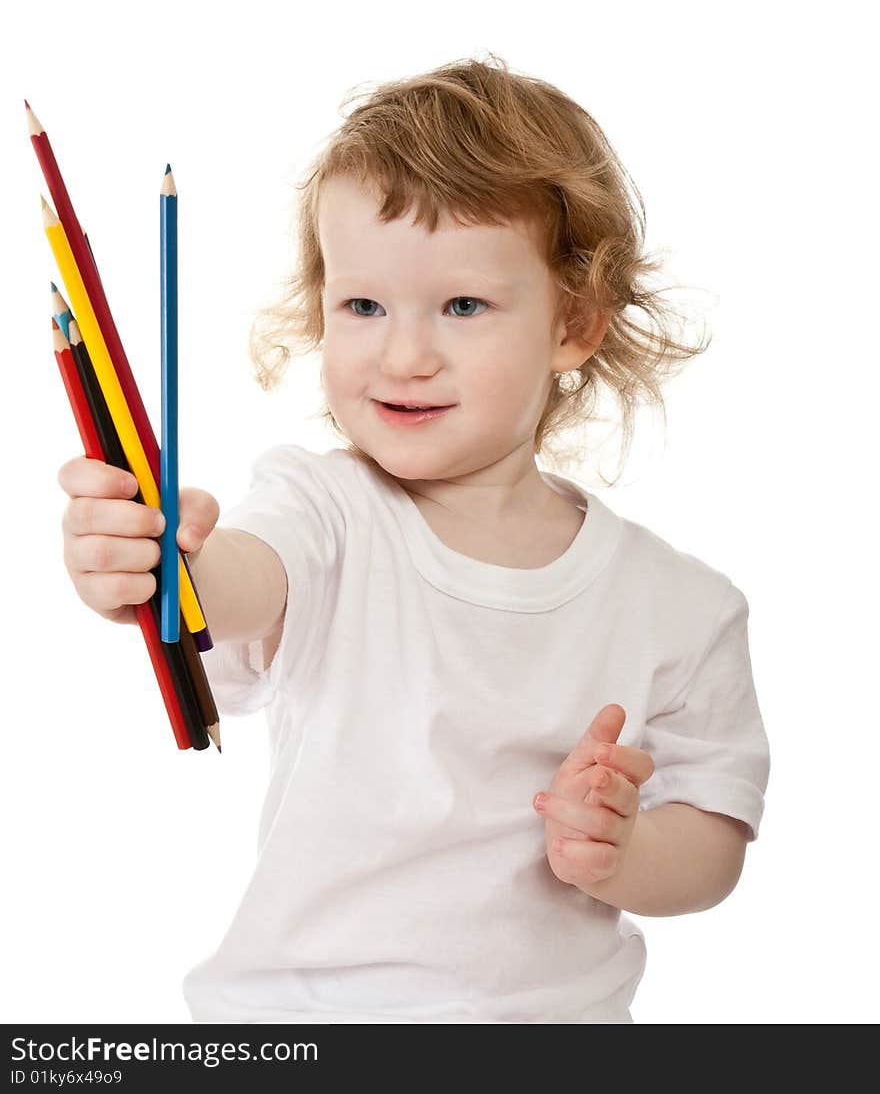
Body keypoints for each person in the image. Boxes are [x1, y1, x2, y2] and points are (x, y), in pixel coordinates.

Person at [58, 54, 770, 1024]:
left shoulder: (679, 605)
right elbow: (244, 580)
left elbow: (715, 837)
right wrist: (162, 560)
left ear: (575, 323)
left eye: (463, 306)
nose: (402, 354)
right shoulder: (324, 509)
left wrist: (627, 851)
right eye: (362, 306)